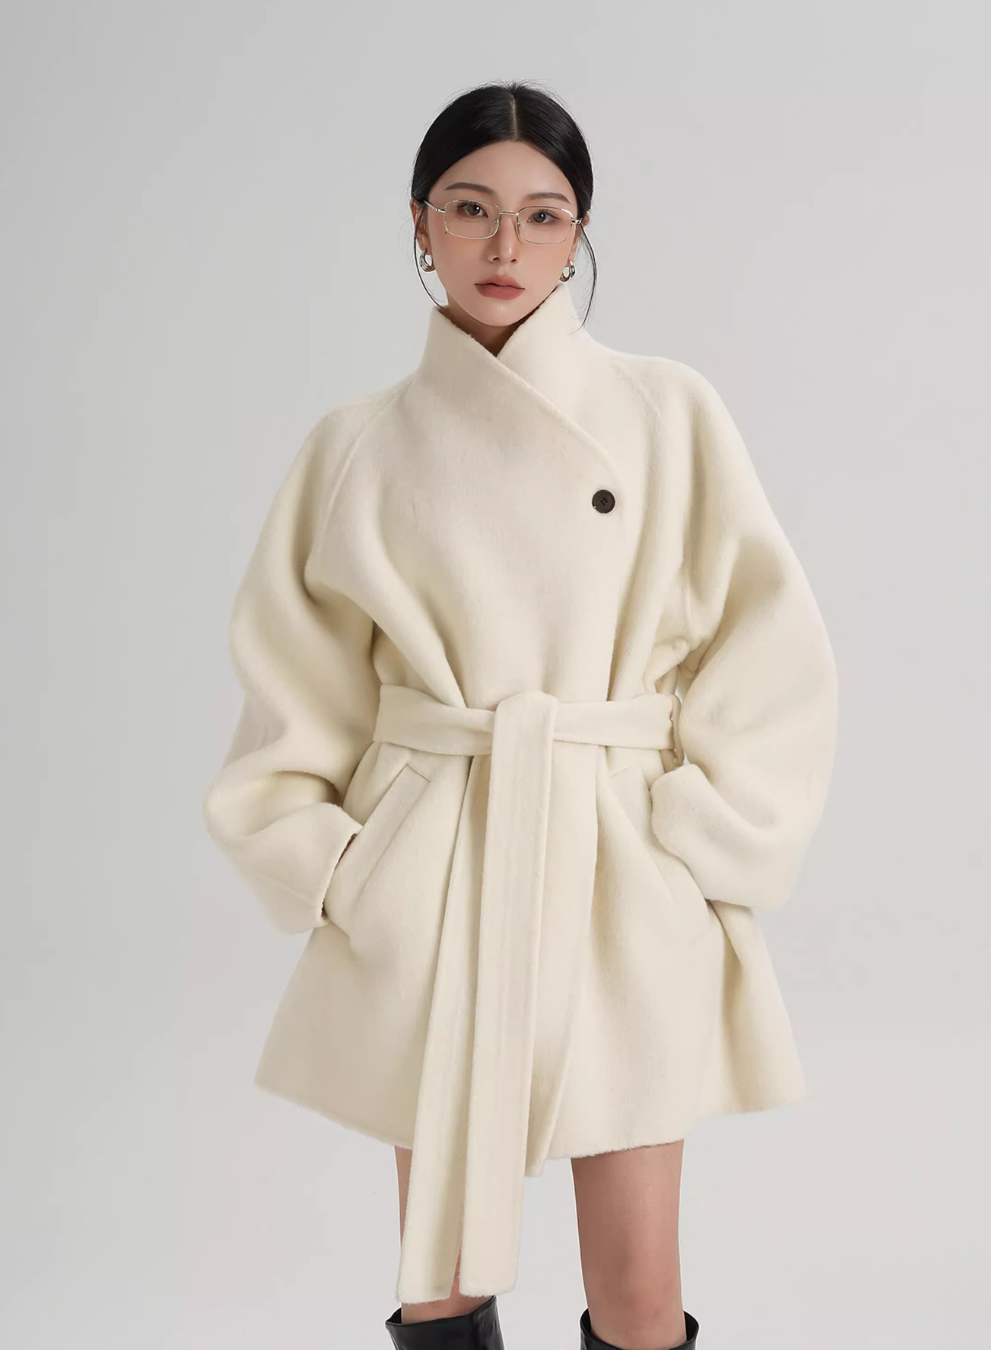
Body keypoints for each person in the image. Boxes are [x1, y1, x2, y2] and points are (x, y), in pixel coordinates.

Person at [203, 80, 839, 1350]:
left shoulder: (668, 411)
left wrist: (700, 834)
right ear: (420, 223)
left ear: (580, 231)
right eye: (470, 209)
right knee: (439, 1278)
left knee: (639, 1290)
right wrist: (340, 864)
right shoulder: (356, 443)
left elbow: (769, 644)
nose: (505, 246)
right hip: (438, 872)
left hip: (619, 866)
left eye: (543, 216)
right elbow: (294, 682)